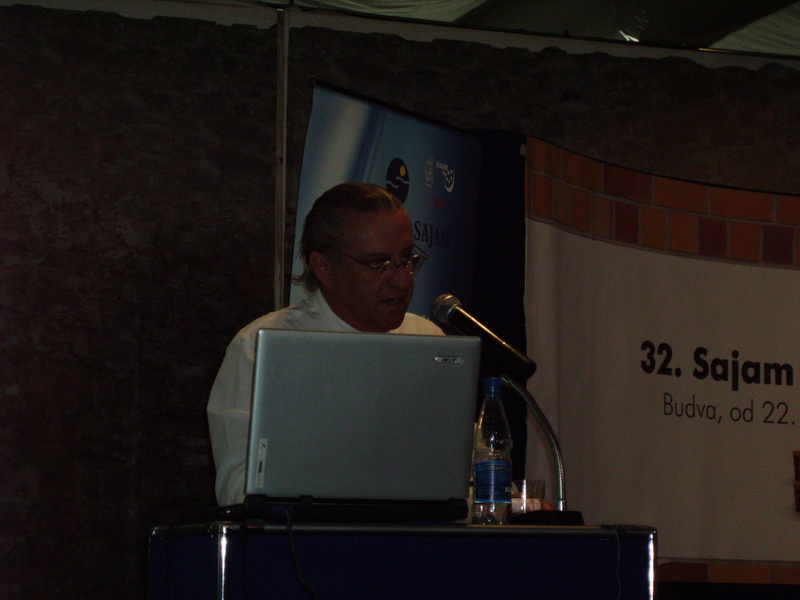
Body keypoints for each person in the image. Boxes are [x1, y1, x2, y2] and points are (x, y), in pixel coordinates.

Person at [207, 182, 443, 506]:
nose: (402, 279)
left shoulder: (429, 340)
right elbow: (238, 490)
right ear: (324, 268)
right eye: (379, 264)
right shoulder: (261, 348)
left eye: (405, 259)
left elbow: (456, 471)